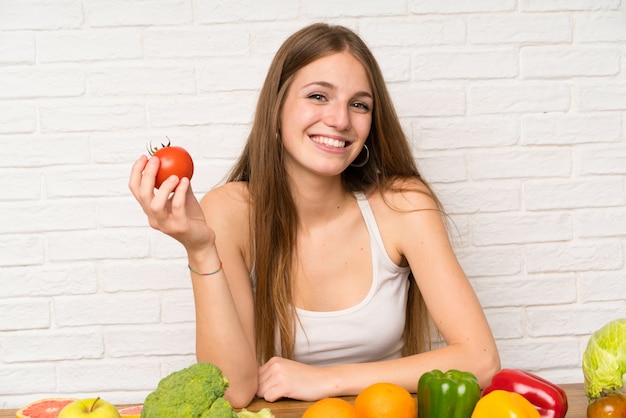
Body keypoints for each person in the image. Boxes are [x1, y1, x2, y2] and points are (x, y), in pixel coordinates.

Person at [129, 22, 500, 408]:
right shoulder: (231, 211)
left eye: (359, 104)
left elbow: (481, 361)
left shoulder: (403, 205)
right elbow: (233, 391)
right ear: (276, 109)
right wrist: (201, 250)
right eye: (319, 96)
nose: (340, 120)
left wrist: (326, 380)